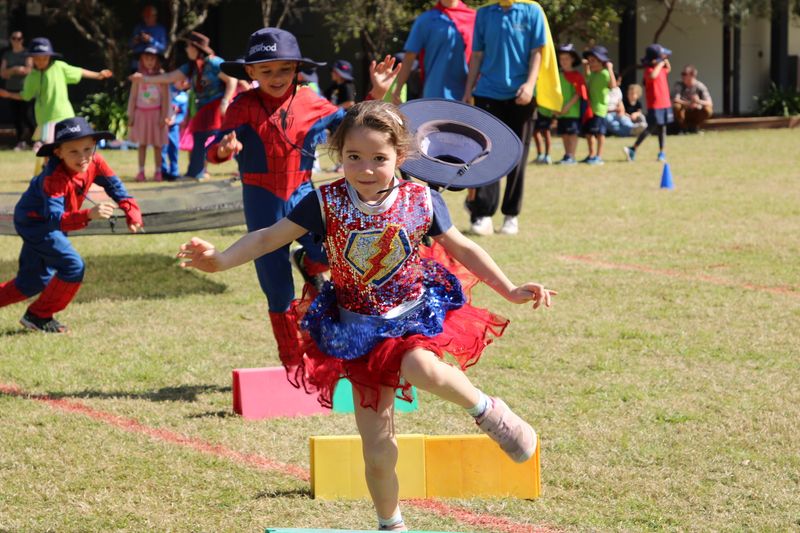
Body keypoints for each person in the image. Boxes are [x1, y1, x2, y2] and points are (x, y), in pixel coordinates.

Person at [178, 100, 556, 532]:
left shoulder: (421, 199)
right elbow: (268, 238)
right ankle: (390, 524)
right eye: (354, 157)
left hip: (412, 317)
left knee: (421, 367)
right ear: (340, 155)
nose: (366, 168)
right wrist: (221, 260)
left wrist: (509, 288)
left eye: (379, 158)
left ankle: (489, 412)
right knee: (377, 452)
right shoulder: (324, 201)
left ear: (401, 155)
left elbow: (463, 248)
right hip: (357, 332)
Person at [205, 28, 400, 369]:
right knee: (277, 287)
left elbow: (352, 124)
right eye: (266, 70)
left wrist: (376, 94)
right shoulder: (242, 106)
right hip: (260, 200)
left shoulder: (311, 101)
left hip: (303, 195)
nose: (276, 77)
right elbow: (213, 149)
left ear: (297, 68)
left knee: (333, 254)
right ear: (250, 71)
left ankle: (309, 265)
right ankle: (292, 363)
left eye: (284, 69)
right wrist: (223, 149)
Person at [0, 117, 142, 333]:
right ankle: (39, 315)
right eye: (73, 151)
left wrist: (132, 211)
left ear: (94, 146)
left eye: (87, 149)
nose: (83, 157)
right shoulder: (54, 179)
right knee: (72, 266)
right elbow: (54, 219)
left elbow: (116, 187)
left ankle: (36, 316)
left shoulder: (96, 161)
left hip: (47, 222)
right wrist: (89, 214)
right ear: (58, 152)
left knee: (32, 281)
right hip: (36, 224)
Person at [462, 0, 550, 236]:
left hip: (522, 94)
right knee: (486, 154)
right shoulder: (484, 14)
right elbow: (477, 55)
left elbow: (537, 52)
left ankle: (511, 214)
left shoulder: (532, 11)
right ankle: (483, 213)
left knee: (518, 155)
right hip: (487, 92)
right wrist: (468, 89)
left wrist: (530, 85)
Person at [130, 32, 238, 180]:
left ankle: (243, 167)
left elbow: (232, 80)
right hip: (203, 108)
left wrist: (225, 102)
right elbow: (169, 77)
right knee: (199, 137)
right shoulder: (191, 66)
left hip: (217, 106)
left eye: (188, 46)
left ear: (196, 48)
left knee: (225, 136)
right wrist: (144, 79)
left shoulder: (214, 63)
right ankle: (195, 172)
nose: (186, 49)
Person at [0, 37, 113, 166]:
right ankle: (47, 172)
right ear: (32, 58)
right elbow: (25, 96)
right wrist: (8, 94)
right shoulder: (32, 77)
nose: (41, 61)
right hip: (45, 120)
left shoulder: (59, 67)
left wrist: (98, 75)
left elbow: (79, 71)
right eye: (37, 58)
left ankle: (68, 172)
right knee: (49, 150)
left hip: (64, 116)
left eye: (44, 58)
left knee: (70, 147)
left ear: (50, 56)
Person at [390, 0, 476, 104]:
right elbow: (409, 57)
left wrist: (470, 90)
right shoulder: (425, 20)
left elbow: (479, 57)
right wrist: (398, 89)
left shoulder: (474, 18)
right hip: (434, 93)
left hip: (465, 94)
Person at [127, 46, 170, 182]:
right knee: (142, 144)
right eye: (146, 59)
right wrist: (131, 115)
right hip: (141, 114)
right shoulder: (138, 76)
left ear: (157, 60)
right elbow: (133, 96)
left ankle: (158, 172)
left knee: (158, 145)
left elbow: (165, 98)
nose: (149, 62)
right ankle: (141, 172)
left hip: (156, 114)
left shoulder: (161, 75)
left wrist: (164, 116)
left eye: (152, 59)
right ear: (142, 60)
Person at [624, 43, 673, 163]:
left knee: (662, 128)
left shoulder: (662, 69)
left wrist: (664, 60)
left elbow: (668, 68)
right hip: (655, 105)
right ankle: (633, 149)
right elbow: (653, 76)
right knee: (651, 127)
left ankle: (661, 152)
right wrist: (660, 63)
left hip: (665, 103)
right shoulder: (649, 70)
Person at [581, 45, 616, 164]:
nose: (591, 63)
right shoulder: (593, 74)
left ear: (601, 61)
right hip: (590, 109)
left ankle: (599, 156)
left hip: (600, 109)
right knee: (588, 133)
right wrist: (586, 66)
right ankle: (591, 154)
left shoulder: (605, 73)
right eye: (589, 61)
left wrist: (610, 69)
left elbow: (613, 85)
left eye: (593, 61)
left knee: (600, 133)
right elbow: (586, 80)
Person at [554, 44, 587, 165]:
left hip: (572, 111)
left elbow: (578, 94)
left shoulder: (577, 76)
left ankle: (572, 155)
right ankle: (567, 154)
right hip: (560, 111)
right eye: (561, 59)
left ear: (572, 59)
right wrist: (555, 108)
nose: (564, 61)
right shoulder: (558, 75)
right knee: (564, 134)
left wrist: (567, 107)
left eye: (566, 58)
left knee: (572, 133)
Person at [1, 31, 34, 150]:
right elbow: (3, 73)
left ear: (22, 40)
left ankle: (36, 140)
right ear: (10, 40)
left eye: (19, 39)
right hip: (11, 90)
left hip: (25, 89)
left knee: (27, 116)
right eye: (14, 38)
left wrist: (12, 71)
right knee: (16, 117)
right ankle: (20, 141)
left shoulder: (27, 53)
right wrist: (16, 69)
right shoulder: (7, 54)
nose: (16, 41)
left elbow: (29, 70)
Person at [161, 79, 190, 181]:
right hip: (162, 125)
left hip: (174, 127)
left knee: (174, 148)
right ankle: (163, 171)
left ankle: (174, 171)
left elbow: (182, 114)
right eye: (181, 80)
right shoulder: (165, 91)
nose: (184, 83)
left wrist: (175, 121)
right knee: (162, 149)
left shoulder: (184, 97)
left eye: (186, 81)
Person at [672, 64, 713, 133]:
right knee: (676, 106)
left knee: (708, 109)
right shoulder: (679, 85)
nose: (682, 76)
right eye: (682, 74)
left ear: (692, 75)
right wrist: (689, 103)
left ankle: (695, 126)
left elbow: (710, 103)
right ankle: (683, 127)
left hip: (696, 111)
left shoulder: (700, 86)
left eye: (684, 74)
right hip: (684, 111)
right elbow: (675, 99)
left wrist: (698, 101)